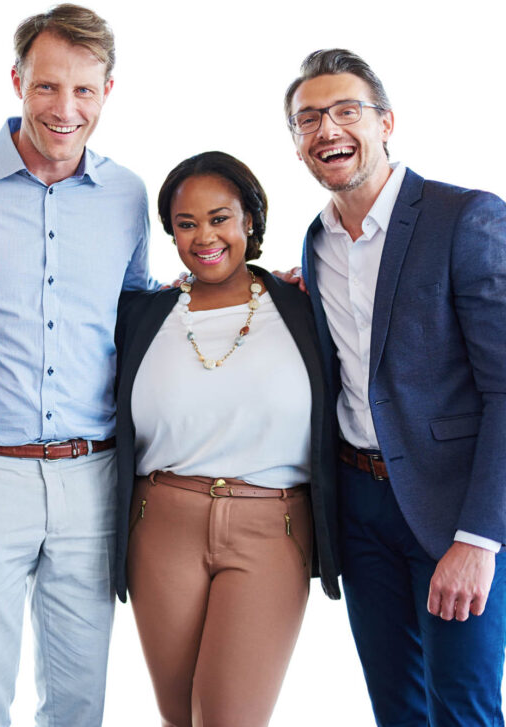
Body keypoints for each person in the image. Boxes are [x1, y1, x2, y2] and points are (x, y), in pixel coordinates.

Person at [0, 5, 152, 725]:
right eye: (46, 87)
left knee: (79, 701)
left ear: (109, 92)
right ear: (15, 81)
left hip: (92, 477)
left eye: (84, 91)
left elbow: (135, 314)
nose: (64, 109)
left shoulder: (129, 195)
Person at [284, 49, 506, 726]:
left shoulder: (469, 218)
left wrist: (479, 539)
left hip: (454, 508)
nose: (327, 129)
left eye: (347, 110)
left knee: (461, 710)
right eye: (308, 118)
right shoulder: (316, 244)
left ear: (387, 122)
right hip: (359, 506)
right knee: (398, 710)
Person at [113, 152, 339, 727]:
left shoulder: (305, 304)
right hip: (160, 524)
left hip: (272, 528)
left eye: (220, 219)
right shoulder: (142, 314)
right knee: (178, 717)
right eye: (186, 224)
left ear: (250, 223)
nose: (204, 237)